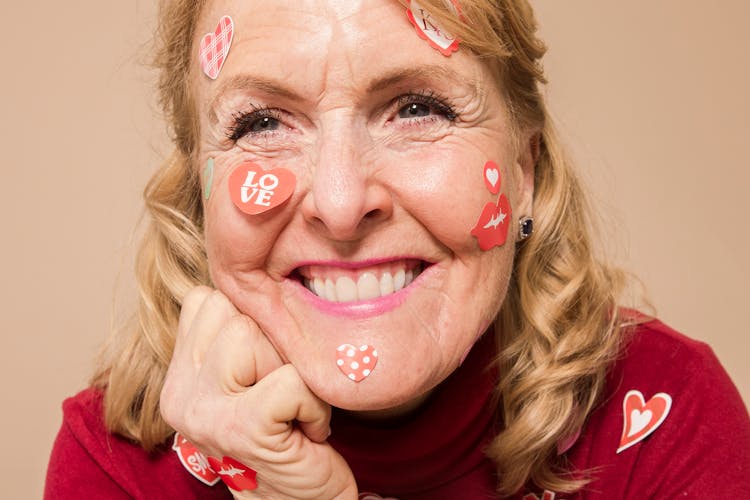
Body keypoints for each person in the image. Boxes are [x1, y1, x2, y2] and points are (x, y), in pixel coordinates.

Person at [45, 0, 750, 498]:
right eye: (263, 122)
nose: (343, 203)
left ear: (527, 171)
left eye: (418, 108)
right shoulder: (117, 467)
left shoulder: (664, 418)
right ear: (200, 193)